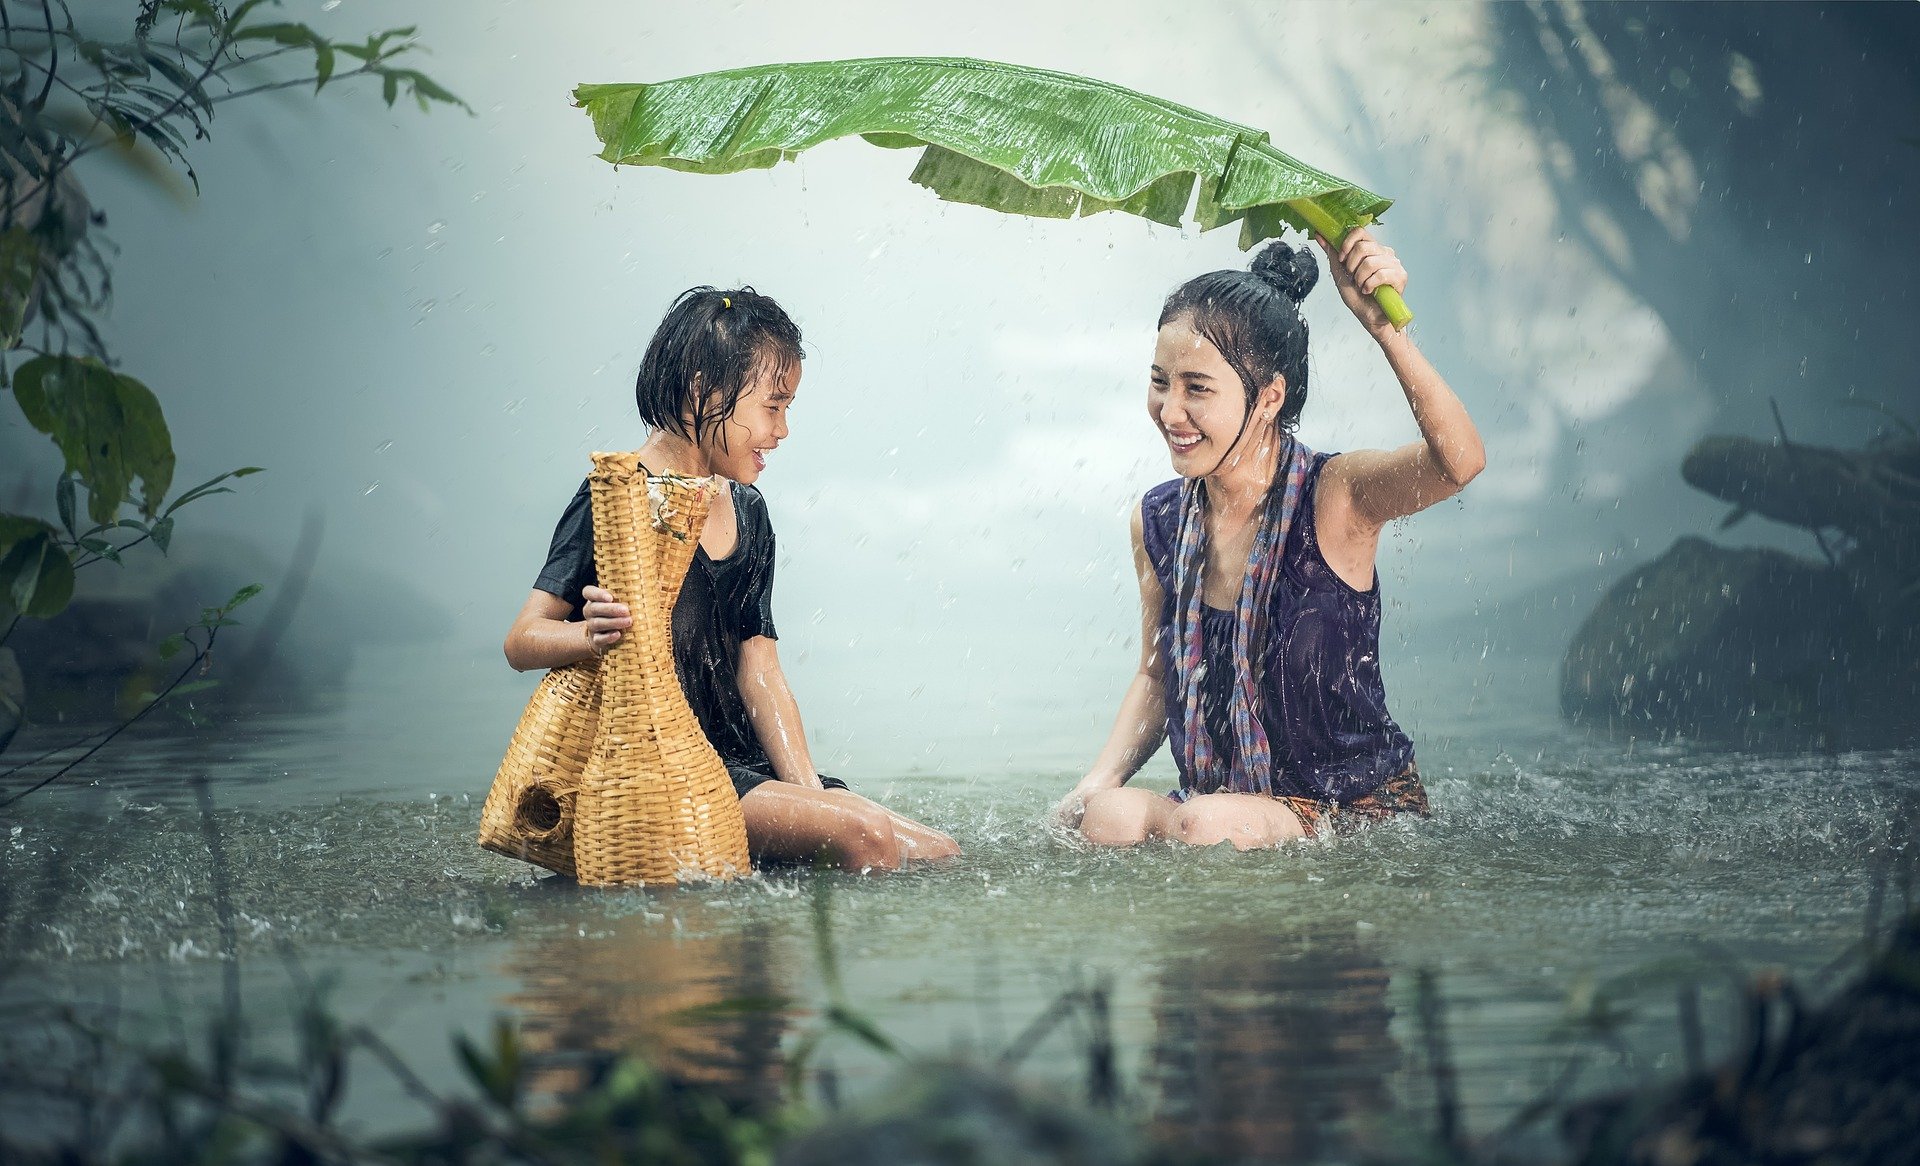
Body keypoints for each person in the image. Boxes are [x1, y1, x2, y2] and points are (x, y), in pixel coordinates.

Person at [505, 286, 960, 872]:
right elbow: (522, 640)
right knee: (866, 838)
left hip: (745, 763)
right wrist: (587, 637)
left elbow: (761, 670)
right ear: (703, 390)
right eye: (773, 407)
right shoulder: (619, 500)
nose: (784, 430)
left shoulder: (747, 509)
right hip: (672, 771)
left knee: (936, 852)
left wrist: (809, 794)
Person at [1053, 230, 1484, 848]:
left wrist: (1385, 328)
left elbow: (1458, 461)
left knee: (1205, 824)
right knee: (1108, 817)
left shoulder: (1336, 498)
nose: (1169, 412)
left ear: (1269, 398)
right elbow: (1156, 674)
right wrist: (1095, 781)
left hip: (1354, 807)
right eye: (1160, 381)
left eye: (1196, 388)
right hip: (1221, 805)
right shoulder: (1160, 521)